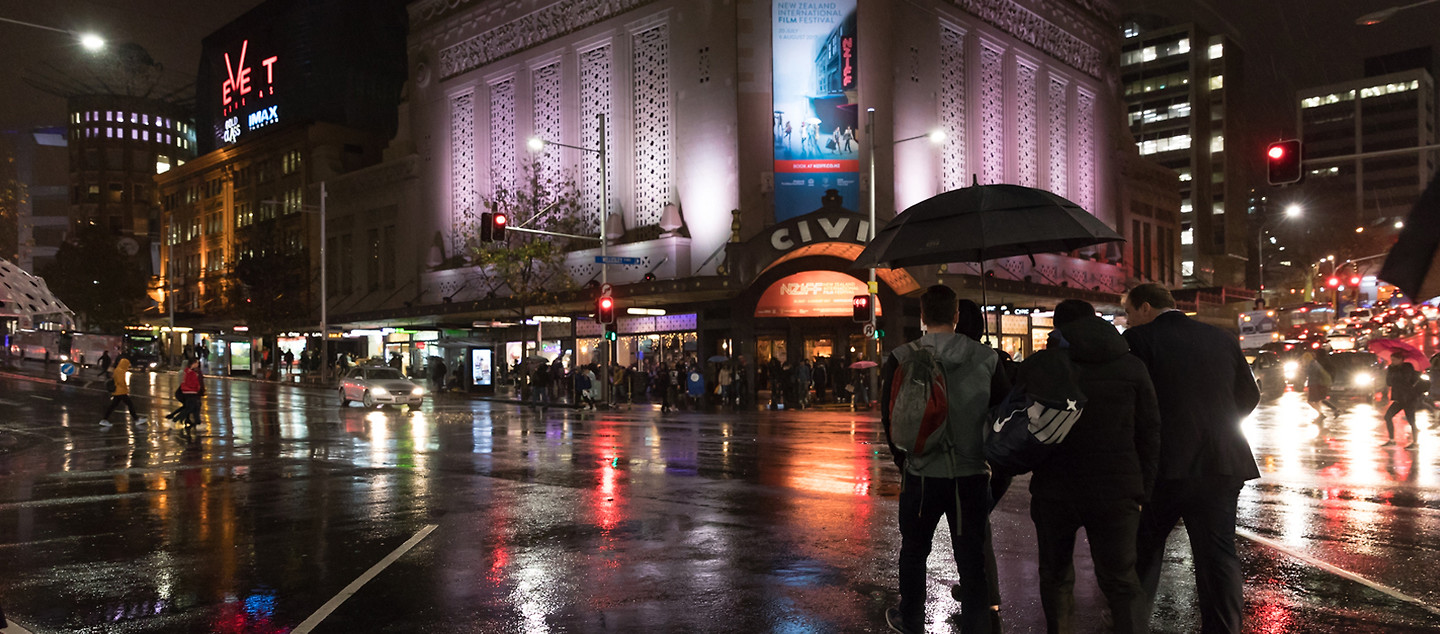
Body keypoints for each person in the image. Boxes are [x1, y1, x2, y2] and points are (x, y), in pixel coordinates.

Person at [1122, 283, 1260, 633]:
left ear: (1145, 307)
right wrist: (1216, 425)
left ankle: (1132, 624)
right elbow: (1249, 394)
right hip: (1222, 462)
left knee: (1143, 549)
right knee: (1218, 556)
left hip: (1164, 466)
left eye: (1128, 311)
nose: (1127, 318)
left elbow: (1134, 403)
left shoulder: (1139, 340)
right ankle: (1224, 628)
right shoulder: (1222, 338)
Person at [1023, 299, 1161, 634]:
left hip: (1054, 489)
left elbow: (1021, 425)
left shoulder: (1043, 367)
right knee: (1121, 581)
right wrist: (1143, 487)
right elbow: (1150, 431)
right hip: (1116, 491)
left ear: (1058, 327)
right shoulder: (1131, 367)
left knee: (1055, 576)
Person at [881, 285, 1008, 634]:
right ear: (955, 315)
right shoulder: (987, 357)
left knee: (914, 550)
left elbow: (888, 416)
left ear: (922, 315)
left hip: (920, 474)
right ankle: (978, 624)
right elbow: (1003, 416)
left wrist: (904, 461)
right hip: (970, 474)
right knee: (971, 558)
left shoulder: (902, 356)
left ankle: (911, 619)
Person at [100, 354, 147, 429]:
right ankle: (136, 420)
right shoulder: (121, 371)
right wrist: (126, 389)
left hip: (118, 392)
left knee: (113, 406)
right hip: (121, 391)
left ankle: (104, 419)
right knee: (130, 405)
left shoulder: (117, 369)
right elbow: (121, 381)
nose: (128, 366)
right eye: (127, 365)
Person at [1383, 361, 1422, 447]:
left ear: (1401, 359)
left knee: (1411, 420)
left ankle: (1415, 443)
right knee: (1387, 417)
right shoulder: (1392, 369)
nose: (1393, 360)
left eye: (1395, 358)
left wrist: (1396, 370)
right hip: (1399, 399)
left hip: (1409, 398)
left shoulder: (1407, 367)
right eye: (1392, 358)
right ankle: (1392, 440)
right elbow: (1389, 383)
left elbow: (1404, 380)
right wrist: (1391, 370)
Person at [1300, 351, 1336, 423]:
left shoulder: (1311, 365)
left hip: (1314, 385)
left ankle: (1321, 414)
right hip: (1316, 384)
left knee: (1310, 401)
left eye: (1303, 359)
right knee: (1317, 400)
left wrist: (1304, 369)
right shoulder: (1315, 363)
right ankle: (1320, 415)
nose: (1302, 361)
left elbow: (1311, 375)